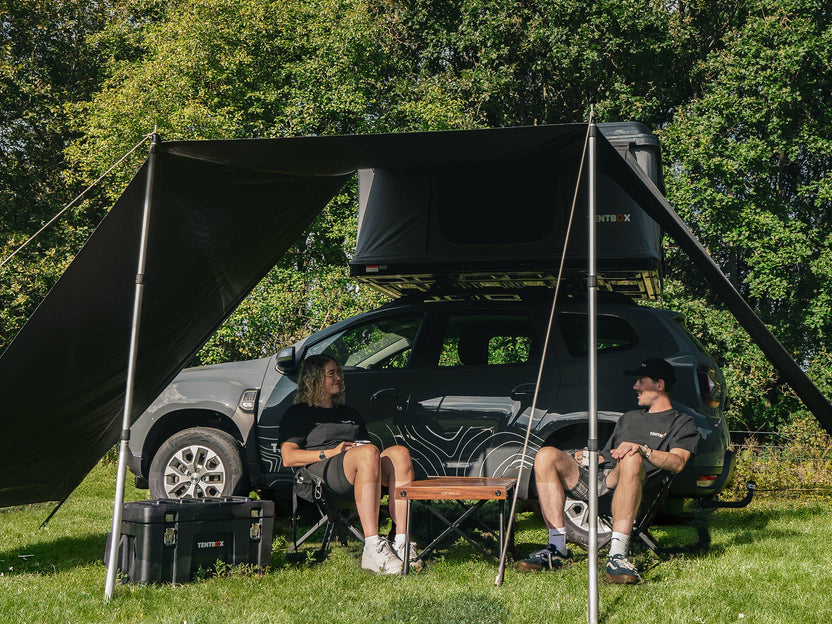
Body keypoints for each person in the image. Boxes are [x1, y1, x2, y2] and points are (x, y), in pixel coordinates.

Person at [518, 357, 699, 583]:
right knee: (547, 455)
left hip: (637, 486)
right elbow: (608, 454)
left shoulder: (682, 422)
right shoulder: (628, 418)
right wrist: (587, 457)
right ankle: (557, 548)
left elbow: (678, 462)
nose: (635, 387)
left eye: (641, 381)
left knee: (631, 458)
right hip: (601, 479)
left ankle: (617, 555)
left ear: (660, 385)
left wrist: (644, 450)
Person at [279, 354, 419, 574]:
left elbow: (366, 449)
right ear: (314, 378)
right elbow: (288, 457)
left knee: (399, 453)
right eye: (331, 374)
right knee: (368, 453)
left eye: (339, 373)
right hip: (322, 473)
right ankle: (372, 547)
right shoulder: (298, 413)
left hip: (358, 466)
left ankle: (400, 540)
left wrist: (362, 452)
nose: (338, 378)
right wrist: (331, 452)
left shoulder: (348, 413)